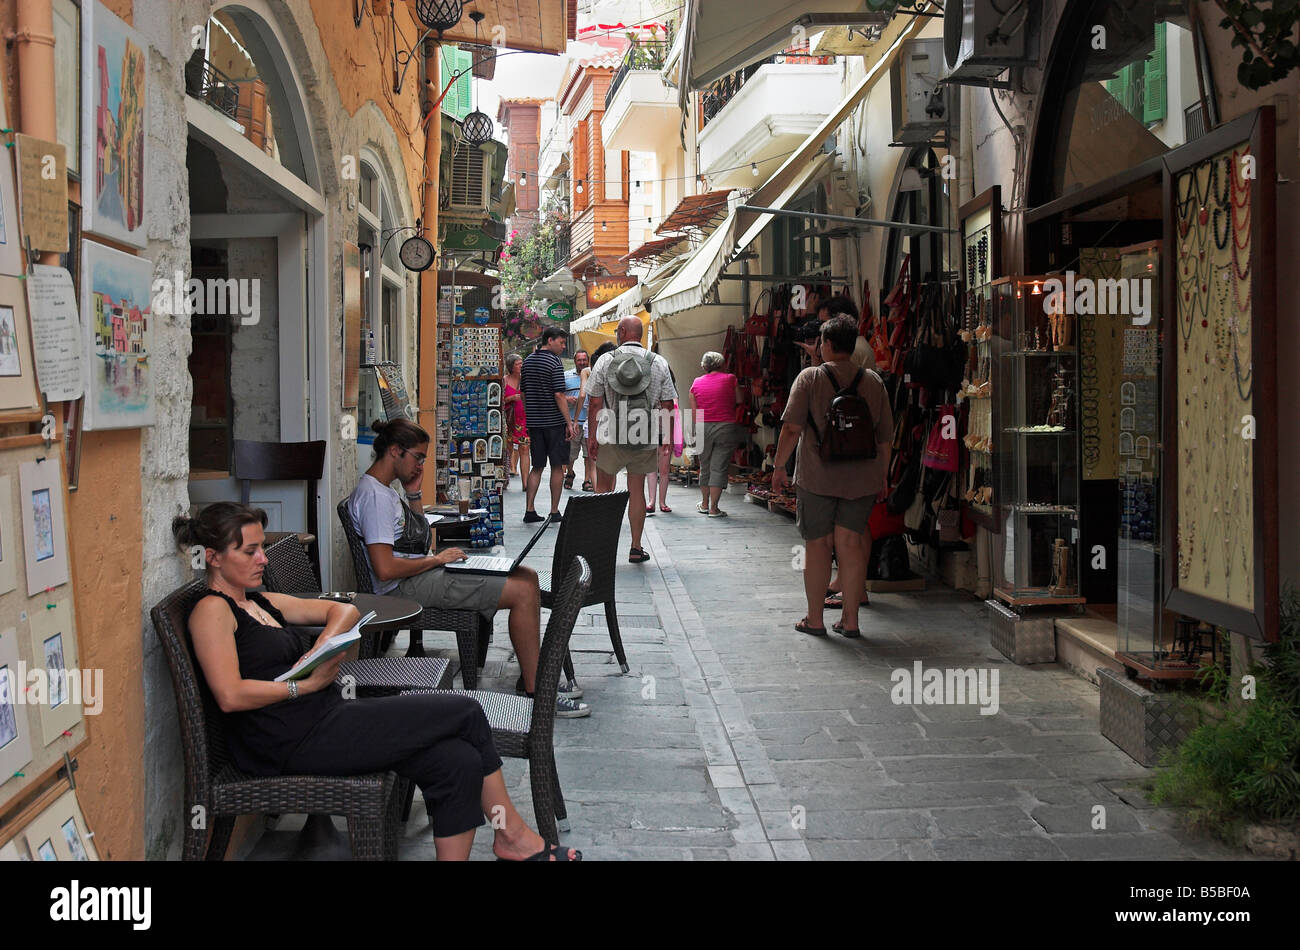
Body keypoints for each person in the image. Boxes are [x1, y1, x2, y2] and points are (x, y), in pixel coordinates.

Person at [174, 501, 581, 860]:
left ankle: (507, 839)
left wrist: (321, 651)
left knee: (456, 762)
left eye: (262, 547)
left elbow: (345, 612)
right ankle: (511, 834)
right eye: (249, 551)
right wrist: (305, 685)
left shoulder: (259, 600)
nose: (262, 558)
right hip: (288, 740)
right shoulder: (212, 611)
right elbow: (229, 695)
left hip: (322, 718)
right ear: (211, 557)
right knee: (466, 711)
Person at [344, 418, 588, 716]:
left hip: (417, 575)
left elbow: (416, 541)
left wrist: (413, 494)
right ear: (395, 450)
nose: (420, 465)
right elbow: (385, 569)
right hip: (403, 587)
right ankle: (539, 692)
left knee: (528, 576)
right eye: (418, 458)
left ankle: (531, 674)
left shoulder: (385, 491)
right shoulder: (375, 497)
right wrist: (437, 559)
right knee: (522, 592)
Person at [771, 315, 893, 639]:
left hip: (817, 477)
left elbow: (791, 428)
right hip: (863, 478)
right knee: (851, 545)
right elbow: (884, 439)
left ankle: (815, 619)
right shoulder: (874, 382)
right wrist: (882, 475)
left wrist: (779, 466)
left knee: (819, 546)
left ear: (825, 344)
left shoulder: (809, 378)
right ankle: (850, 621)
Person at [586, 316, 677, 563]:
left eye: (617, 330)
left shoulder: (606, 360)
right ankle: (636, 547)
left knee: (604, 488)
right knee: (636, 490)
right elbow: (668, 403)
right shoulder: (658, 362)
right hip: (644, 435)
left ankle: (603, 548)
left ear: (623, 332)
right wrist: (667, 435)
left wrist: (592, 436)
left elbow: (594, 402)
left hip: (610, 434)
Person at [521, 327, 578, 524]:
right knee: (556, 467)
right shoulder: (554, 362)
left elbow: (524, 393)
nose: (563, 347)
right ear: (550, 340)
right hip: (554, 423)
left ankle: (529, 509)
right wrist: (569, 423)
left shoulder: (527, 362)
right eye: (561, 342)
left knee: (536, 466)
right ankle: (554, 511)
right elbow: (558, 394)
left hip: (535, 423)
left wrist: (531, 415)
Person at [688, 351, 742, 517]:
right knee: (719, 467)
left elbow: (694, 411)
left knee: (705, 466)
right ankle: (714, 508)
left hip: (702, 426)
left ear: (704, 366)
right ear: (722, 364)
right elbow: (740, 400)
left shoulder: (696, 383)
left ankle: (704, 504)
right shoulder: (731, 379)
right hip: (725, 426)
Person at [563, 349, 590, 491]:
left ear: (588, 360)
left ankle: (587, 480)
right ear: (575, 361)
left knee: (588, 454)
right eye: (579, 360)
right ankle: (570, 472)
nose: (582, 362)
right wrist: (567, 398)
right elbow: (559, 395)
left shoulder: (593, 375)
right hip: (572, 422)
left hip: (588, 421)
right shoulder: (566, 376)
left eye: (584, 360)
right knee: (570, 453)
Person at [502, 353, 527, 483]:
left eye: (522, 363)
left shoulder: (526, 380)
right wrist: (511, 398)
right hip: (509, 421)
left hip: (524, 420)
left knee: (524, 448)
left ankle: (525, 482)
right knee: (508, 449)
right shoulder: (505, 380)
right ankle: (505, 477)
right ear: (511, 366)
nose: (521, 366)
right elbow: (498, 401)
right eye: (518, 364)